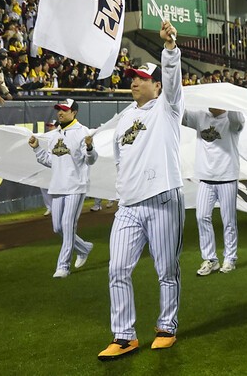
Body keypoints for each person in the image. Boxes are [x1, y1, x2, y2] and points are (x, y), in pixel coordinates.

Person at [99, 19, 184, 361]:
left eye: (142, 78)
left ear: (157, 86)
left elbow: (175, 83)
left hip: (162, 199)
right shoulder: (123, 119)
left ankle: (167, 327)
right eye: (133, 78)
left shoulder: (168, 109)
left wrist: (169, 49)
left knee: (167, 270)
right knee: (117, 269)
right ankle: (123, 336)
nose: (134, 81)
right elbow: (121, 161)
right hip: (130, 206)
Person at [29, 98, 97, 278]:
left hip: (76, 185)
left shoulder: (83, 132)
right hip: (57, 185)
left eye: (64, 110)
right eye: (58, 109)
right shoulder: (55, 134)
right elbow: (51, 161)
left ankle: (63, 266)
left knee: (67, 225)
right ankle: (84, 248)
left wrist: (90, 148)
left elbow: (91, 160)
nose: (60, 112)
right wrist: (37, 149)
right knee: (57, 228)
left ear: (74, 112)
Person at [182, 105, 244, 276]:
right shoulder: (200, 116)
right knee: (202, 217)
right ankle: (211, 259)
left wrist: (229, 99)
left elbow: (238, 120)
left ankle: (230, 258)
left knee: (229, 220)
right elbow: (180, 113)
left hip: (227, 177)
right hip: (205, 178)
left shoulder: (232, 119)